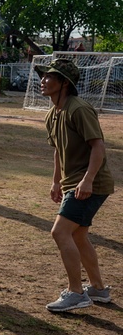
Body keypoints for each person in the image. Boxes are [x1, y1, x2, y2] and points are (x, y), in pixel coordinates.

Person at [36, 58, 114, 312]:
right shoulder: (52, 114)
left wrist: (87, 179)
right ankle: (98, 289)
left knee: (60, 232)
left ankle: (76, 293)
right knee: (78, 235)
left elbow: (98, 146)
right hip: (73, 183)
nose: (43, 80)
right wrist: (56, 180)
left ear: (65, 83)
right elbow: (58, 149)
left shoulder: (78, 109)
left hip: (91, 183)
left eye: (50, 77)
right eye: (43, 75)